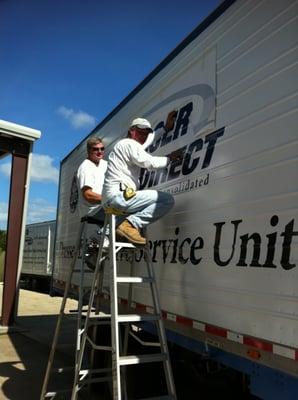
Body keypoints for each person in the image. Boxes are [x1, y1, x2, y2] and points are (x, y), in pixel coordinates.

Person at [102, 111, 182, 245]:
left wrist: (165, 128)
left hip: (112, 201)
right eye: (141, 132)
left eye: (146, 133)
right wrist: (170, 159)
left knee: (112, 234)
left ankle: (104, 239)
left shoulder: (127, 145)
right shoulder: (128, 144)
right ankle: (130, 225)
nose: (144, 136)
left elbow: (148, 141)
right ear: (132, 131)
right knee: (167, 200)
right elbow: (148, 162)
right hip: (120, 197)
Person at [77, 137, 108, 268]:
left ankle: (97, 247)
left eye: (102, 149)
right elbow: (88, 195)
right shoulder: (85, 167)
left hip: (104, 206)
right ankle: (96, 241)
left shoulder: (105, 164)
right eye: (96, 149)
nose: (100, 152)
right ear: (89, 151)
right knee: (120, 210)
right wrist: (109, 199)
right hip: (92, 209)